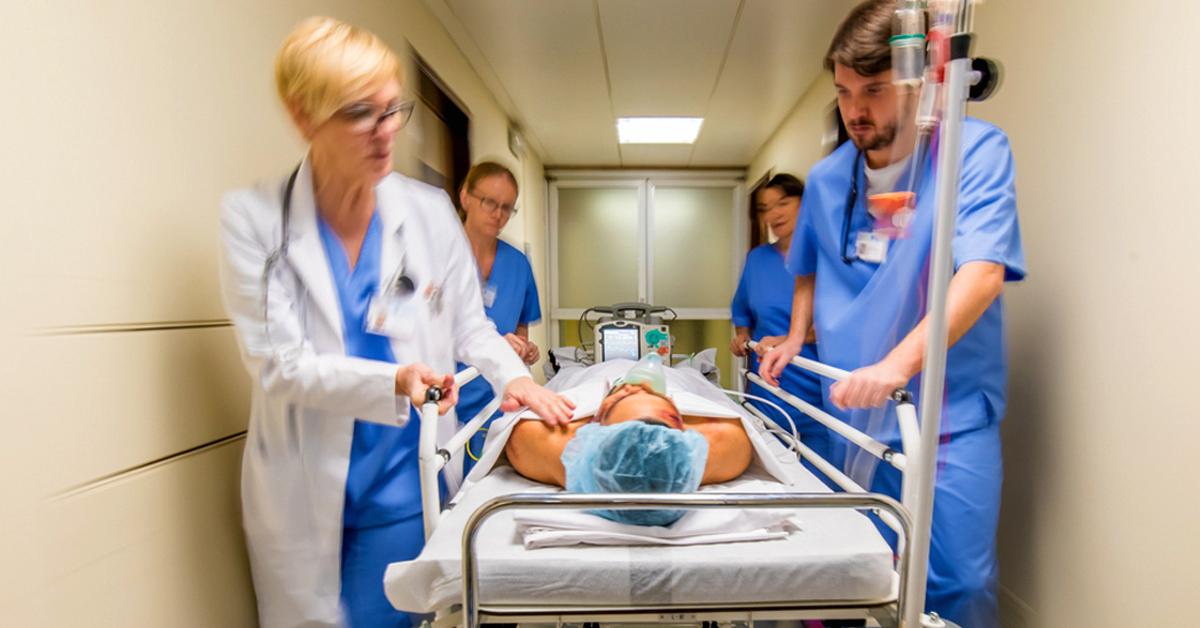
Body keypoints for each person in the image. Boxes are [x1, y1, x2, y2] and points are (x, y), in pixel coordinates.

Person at [218, 17, 573, 628]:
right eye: (362, 114)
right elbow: (280, 365)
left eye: (393, 110)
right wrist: (394, 379)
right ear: (304, 115)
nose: (386, 133)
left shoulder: (428, 213)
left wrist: (513, 378)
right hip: (304, 481)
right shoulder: (255, 221)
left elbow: (471, 327)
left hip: (403, 479)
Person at [757, 1, 1025, 627]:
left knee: (959, 583)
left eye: (873, 90)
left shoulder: (972, 151)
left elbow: (981, 273)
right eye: (844, 92)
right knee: (868, 575)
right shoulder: (827, 180)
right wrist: (795, 336)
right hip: (854, 414)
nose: (855, 110)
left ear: (917, 80)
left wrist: (896, 367)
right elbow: (809, 263)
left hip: (946, 415)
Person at [504, 357, 753, 492]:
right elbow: (723, 431)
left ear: (596, 423)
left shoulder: (538, 445)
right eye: (658, 395)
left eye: (624, 395)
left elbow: (525, 433)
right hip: (676, 381)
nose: (640, 383)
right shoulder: (727, 444)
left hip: (592, 377)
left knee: (570, 370)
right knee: (688, 370)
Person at [730, 174, 830, 466]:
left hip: (818, 391)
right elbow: (742, 309)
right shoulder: (758, 259)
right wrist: (743, 337)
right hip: (768, 389)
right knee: (769, 471)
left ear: (805, 203)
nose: (774, 214)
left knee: (821, 477)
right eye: (765, 208)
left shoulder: (829, 259)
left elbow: (840, 323)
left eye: (783, 203)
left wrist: (789, 340)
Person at [454, 162, 542, 474]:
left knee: (485, 481)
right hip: (445, 398)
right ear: (465, 196)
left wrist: (522, 350)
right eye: (490, 202)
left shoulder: (517, 264)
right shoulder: (440, 257)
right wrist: (496, 344)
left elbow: (520, 332)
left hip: (493, 400)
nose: (498, 214)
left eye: (507, 208)